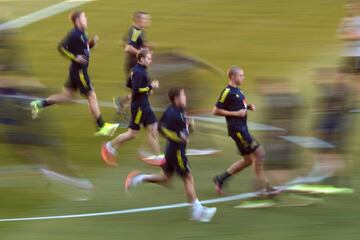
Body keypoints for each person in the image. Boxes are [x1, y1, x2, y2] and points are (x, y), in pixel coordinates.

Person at [124, 87, 217, 222]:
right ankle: (197, 211)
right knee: (188, 178)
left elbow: (161, 126)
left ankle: (138, 178)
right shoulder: (175, 114)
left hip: (171, 150)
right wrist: (181, 134)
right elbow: (172, 133)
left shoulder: (174, 110)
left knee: (166, 179)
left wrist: (188, 127)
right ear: (176, 98)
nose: (185, 97)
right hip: (177, 152)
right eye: (183, 95)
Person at [29, 10, 119, 137]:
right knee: (91, 96)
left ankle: (39, 104)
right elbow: (60, 47)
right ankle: (101, 126)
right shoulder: (74, 34)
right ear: (77, 21)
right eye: (84, 17)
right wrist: (74, 57)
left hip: (75, 71)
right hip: (79, 71)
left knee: (66, 97)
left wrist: (91, 44)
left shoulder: (82, 33)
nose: (86, 19)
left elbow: (83, 49)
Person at [212, 66, 276, 195]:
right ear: (233, 77)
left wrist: (248, 107)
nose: (243, 77)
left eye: (243, 75)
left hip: (242, 129)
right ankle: (265, 187)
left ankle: (220, 179)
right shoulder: (226, 91)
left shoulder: (239, 91)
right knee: (259, 153)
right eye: (241, 75)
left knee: (248, 160)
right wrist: (235, 113)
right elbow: (216, 110)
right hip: (237, 130)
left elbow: (237, 105)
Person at [101, 49, 162, 166]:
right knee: (132, 133)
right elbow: (135, 89)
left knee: (153, 128)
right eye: (148, 58)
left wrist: (147, 89)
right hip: (139, 106)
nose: (150, 60)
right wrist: (150, 87)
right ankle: (109, 146)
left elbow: (129, 84)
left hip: (144, 105)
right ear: (142, 59)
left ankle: (158, 157)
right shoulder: (139, 72)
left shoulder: (137, 70)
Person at [113, 11, 151, 114]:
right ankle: (122, 103)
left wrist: (145, 47)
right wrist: (141, 52)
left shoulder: (137, 31)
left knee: (144, 90)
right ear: (138, 20)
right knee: (144, 90)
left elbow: (122, 42)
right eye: (145, 19)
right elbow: (128, 47)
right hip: (134, 66)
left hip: (138, 65)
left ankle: (122, 103)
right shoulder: (136, 31)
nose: (148, 21)